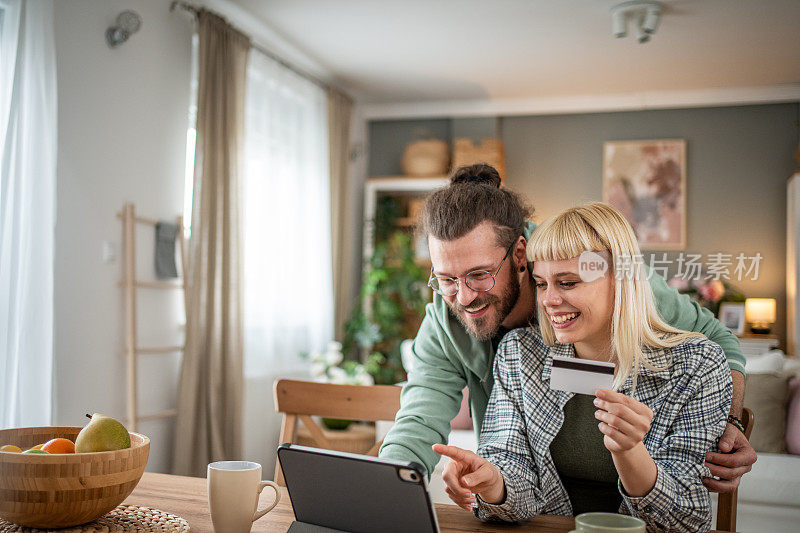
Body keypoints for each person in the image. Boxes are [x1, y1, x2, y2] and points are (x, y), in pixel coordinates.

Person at [378, 164, 756, 494]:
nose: (462, 297)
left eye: (479, 275)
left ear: (521, 254)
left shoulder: (599, 268)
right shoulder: (454, 323)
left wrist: (731, 422)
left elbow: (718, 342)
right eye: (446, 279)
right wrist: (386, 488)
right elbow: (419, 419)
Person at [432, 202, 732, 531]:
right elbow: (509, 461)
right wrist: (493, 483)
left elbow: (685, 521)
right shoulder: (520, 354)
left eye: (569, 283)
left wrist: (631, 452)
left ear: (620, 279)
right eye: (542, 283)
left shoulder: (697, 366)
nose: (548, 301)